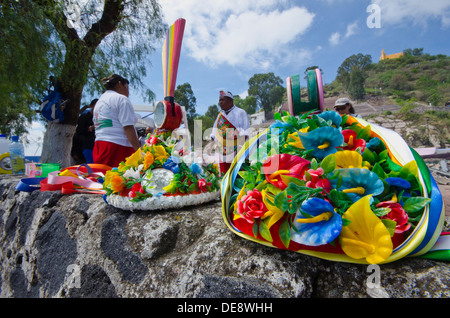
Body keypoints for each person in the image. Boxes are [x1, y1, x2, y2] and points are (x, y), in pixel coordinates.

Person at [92, 74, 140, 168]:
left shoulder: (100, 101)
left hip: (100, 146)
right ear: (119, 84)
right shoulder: (121, 99)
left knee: (103, 178)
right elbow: (128, 127)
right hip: (118, 147)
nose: (128, 92)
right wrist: (138, 151)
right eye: (127, 88)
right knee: (121, 180)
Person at [210, 90, 250, 174]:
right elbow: (214, 132)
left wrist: (239, 150)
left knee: (238, 176)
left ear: (230, 101)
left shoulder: (241, 112)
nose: (220, 102)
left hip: (238, 152)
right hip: (223, 152)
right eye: (219, 100)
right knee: (225, 176)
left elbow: (245, 132)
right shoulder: (220, 115)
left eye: (222, 100)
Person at [75, 98, 98, 163]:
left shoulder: (100, 119)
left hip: (97, 147)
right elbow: (79, 131)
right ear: (92, 106)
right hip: (86, 147)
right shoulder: (84, 117)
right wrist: (90, 128)